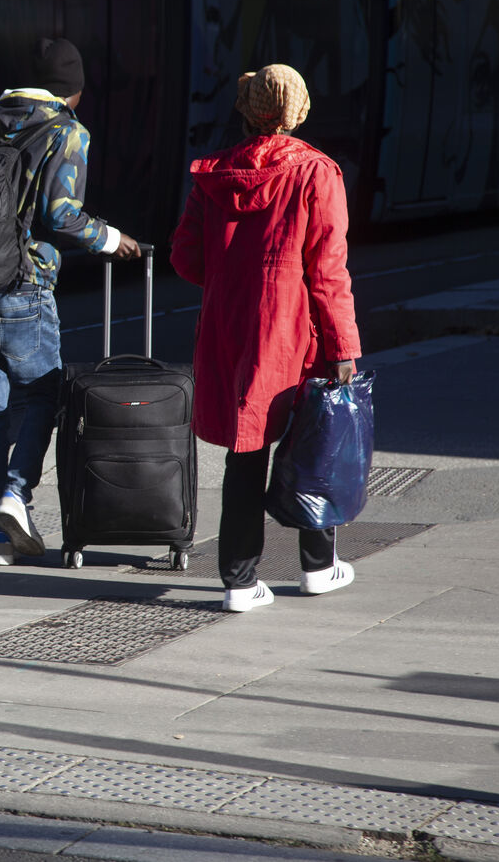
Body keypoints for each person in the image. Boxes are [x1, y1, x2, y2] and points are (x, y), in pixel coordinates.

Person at [169, 63, 362, 613]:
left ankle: (239, 580)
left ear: (249, 109)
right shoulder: (316, 172)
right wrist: (343, 347)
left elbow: (185, 257)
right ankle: (317, 566)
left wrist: (233, 278)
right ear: (297, 111)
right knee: (315, 442)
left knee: (246, 446)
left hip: (229, 326)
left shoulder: (214, 174)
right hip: (295, 328)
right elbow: (328, 271)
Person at [0, 37, 143, 566]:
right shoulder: (66, 130)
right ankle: (16, 494)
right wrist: (111, 238)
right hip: (25, 283)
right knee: (46, 396)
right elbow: (61, 214)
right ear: (72, 91)